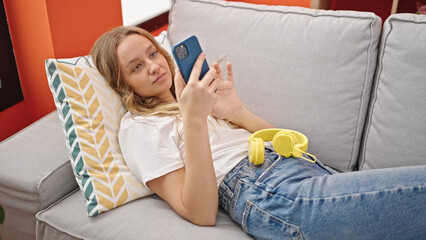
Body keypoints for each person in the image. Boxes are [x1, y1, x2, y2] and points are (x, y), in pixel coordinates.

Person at [91, 26, 426, 239]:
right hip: (267, 191)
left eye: (152, 53)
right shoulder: (137, 129)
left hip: (301, 168)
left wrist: (236, 112)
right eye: (137, 67)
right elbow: (200, 213)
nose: (153, 65)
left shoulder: (195, 95)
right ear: (122, 85)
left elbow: (287, 143)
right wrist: (193, 121)